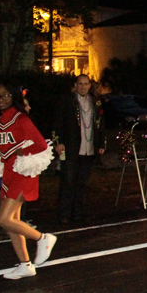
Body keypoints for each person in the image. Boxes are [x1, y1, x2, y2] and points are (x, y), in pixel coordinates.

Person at [0, 83, 57, 280]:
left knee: (3, 219)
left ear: (14, 97)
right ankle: (25, 265)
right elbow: (3, 147)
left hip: (23, 173)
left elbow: (40, 145)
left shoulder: (21, 118)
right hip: (9, 173)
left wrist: (19, 151)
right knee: (12, 222)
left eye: (5, 95)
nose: (1, 99)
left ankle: (43, 238)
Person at [52, 74, 105, 224]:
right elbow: (57, 122)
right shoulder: (67, 101)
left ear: (89, 86)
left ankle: (77, 212)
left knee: (81, 182)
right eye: (80, 84)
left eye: (86, 84)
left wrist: (101, 143)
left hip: (88, 148)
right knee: (68, 181)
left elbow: (100, 123)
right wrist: (58, 141)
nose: (83, 87)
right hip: (72, 147)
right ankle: (64, 213)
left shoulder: (95, 102)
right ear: (75, 85)